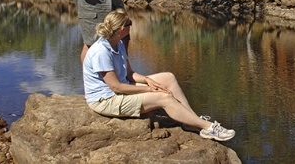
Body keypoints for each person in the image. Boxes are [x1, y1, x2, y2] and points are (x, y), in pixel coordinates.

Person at [82, 8, 235, 141]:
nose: (131, 28)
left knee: (168, 77)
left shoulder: (118, 44)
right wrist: (149, 90)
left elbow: (128, 73)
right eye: (130, 25)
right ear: (123, 28)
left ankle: (191, 120)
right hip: (106, 100)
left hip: (119, 89)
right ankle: (208, 127)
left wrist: (147, 80)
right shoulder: (101, 52)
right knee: (164, 97)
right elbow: (116, 87)